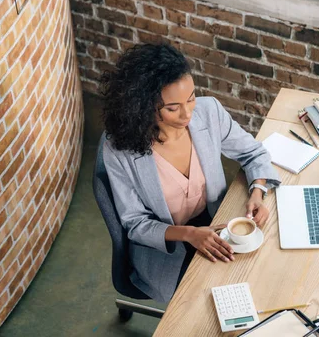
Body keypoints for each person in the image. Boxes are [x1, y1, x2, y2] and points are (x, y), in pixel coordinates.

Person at [101, 43, 280, 302]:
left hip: (217, 222)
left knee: (260, 279)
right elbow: (135, 224)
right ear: (143, 107)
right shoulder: (120, 152)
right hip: (167, 244)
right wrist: (189, 234)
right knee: (205, 305)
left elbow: (252, 152)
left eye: (191, 97)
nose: (187, 114)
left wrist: (258, 192)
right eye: (172, 108)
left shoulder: (208, 112)